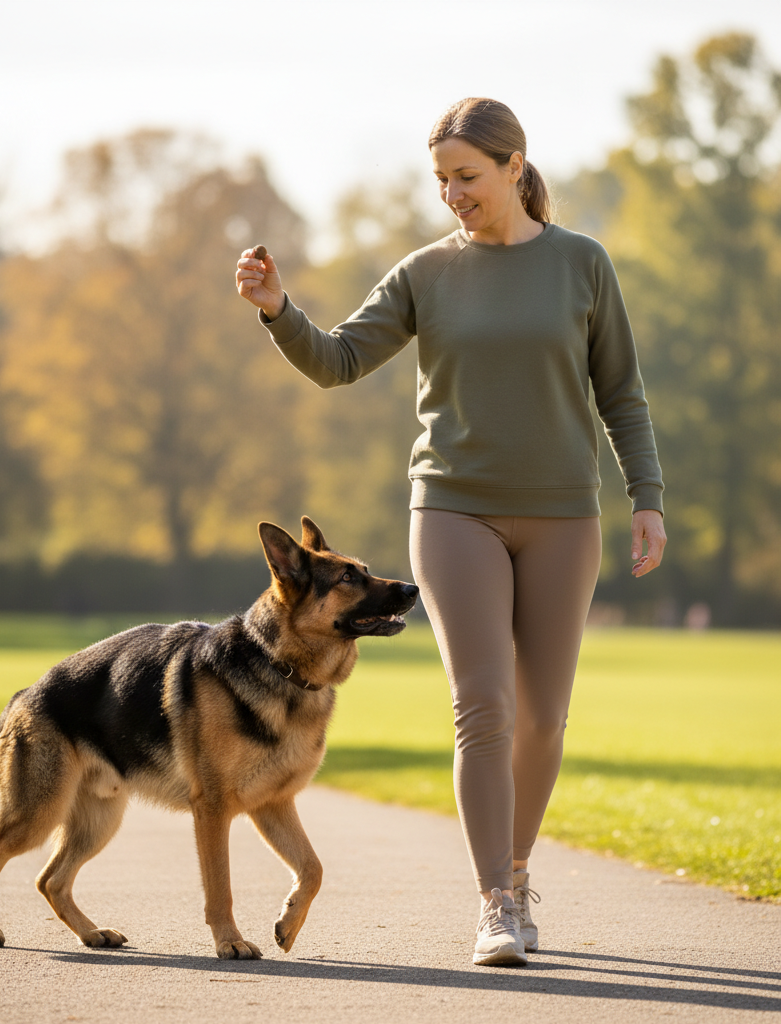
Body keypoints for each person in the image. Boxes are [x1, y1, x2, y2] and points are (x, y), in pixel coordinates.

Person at [235, 97, 666, 967]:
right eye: (440, 180)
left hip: (562, 515)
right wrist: (280, 310)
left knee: (543, 717)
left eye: (466, 176)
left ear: (515, 167)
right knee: (485, 706)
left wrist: (646, 495)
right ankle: (495, 903)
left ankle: (517, 868)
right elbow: (339, 360)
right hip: (452, 508)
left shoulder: (582, 263)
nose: (452, 194)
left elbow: (620, 391)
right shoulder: (426, 273)